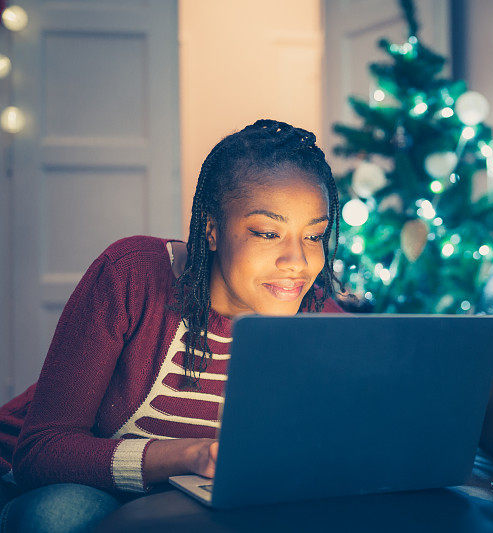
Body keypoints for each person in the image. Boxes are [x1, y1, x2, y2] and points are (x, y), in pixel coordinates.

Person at [0, 119, 346, 532]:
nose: (298, 262)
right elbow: (42, 451)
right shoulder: (133, 274)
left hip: (182, 501)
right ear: (212, 229)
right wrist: (191, 455)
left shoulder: (322, 321)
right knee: (61, 517)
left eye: (314, 236)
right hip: (55, 481)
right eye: (268, 232)